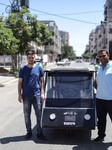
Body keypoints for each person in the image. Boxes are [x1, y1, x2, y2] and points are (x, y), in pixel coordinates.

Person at [18, 49, 46, 140]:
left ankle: (39, 132)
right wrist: (19, 94)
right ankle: (29, 131)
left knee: (39, 114)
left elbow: (42, 81)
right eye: (29, 57)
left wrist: (42, 93)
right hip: (26, 96)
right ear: (27, 58)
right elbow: (20, 82)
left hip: (37, 95)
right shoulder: (23, 69)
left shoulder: (39, 68)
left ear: (35, 57)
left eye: (32, 57)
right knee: (26, 115)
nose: (31, 59)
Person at [94, 49, 112, 142]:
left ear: (108, 55)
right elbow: (98, 81)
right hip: (100, 98)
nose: (101, 58)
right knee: (101, 120)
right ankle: (101, 136)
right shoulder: (99, 67)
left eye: (103, 56)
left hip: (110, 99)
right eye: (100, 56)